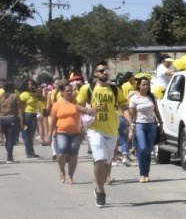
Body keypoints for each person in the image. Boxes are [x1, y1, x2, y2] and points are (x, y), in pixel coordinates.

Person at [78, 62, 128, 207]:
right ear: (95, 73)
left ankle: (98, 187)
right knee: (99, 159)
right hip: (95, 129)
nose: (104, 72)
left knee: (106, 162)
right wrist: (89, 111)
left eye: (106, 70)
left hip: (111, 130)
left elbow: (124, 107)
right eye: (101, 70)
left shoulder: (115, 89)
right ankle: (100, 190)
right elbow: (78, 106)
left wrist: (131, 124)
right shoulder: (87, 88)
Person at [50, 83, 85, 184]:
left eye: (71, 90)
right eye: (67, 90)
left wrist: (83, 128)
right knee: (61, 154)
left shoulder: (77, 104)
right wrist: (49, 134)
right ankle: (62, 170)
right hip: (61, 132)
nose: (70, 92)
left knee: (73, 155)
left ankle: (70, 176)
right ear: (62, 92)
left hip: (76, 133)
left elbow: (83, 116)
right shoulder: (57, 105)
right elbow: (52, 121)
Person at [128, 76, 160, 183]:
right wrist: (131, 126)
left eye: (147, 84)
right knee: (142, 148)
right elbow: (131, 114)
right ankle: (142, 174)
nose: (146, 86)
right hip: (139, 125)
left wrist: (161, 122)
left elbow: (156, 110)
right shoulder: (134, 98)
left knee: (148, 150)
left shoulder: (152, 96)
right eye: (143, 84)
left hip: (151, 125)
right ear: (139, 85)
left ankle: (146, 174)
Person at [19, 78, 44, 159]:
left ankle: (32, 152)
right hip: (27, 115)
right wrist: (22, 120)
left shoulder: (34, 93)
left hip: (34, 114)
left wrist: (38, 91)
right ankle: (29, 153)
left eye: (32, 84)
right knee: (27, 135)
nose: (30, 85)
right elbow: (21, 108)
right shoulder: (24, 94)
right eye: (29, 84)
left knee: (31, 135)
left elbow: (44, 99)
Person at [1, 81, 23, 164]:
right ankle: (9, 158)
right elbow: (20, 108)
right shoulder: (15, 96)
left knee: (7, 139)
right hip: (12, 118)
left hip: (2, 119)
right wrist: (22, 120)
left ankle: (10, 156)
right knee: (11, 139)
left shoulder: (1, 97)